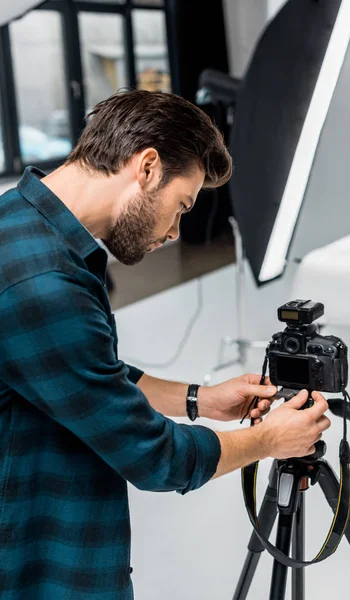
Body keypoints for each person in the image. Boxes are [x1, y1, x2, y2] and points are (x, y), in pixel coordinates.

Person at [0, 89, 331, 600]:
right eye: (182, 206)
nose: (177, 231)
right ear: (147, 167)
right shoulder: (43, 282)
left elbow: (85, 371)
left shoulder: (23, 225)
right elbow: (155, 458)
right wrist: (269, 441)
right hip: (35, 562)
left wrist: (198, 398)